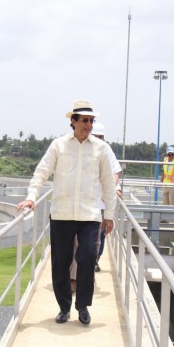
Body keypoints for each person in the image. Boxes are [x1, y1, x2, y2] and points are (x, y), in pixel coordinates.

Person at [16, 99, 116, 326]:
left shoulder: (101, 149)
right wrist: (32, 197)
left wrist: (108, 215)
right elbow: (41, 172)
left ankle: (82, 305)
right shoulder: (58, 145)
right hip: (61, 212)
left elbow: (108, 184)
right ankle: (63, 307)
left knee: (88, 256)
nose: (89, 125)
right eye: (84, 121)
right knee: (60, 262)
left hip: (90, 214)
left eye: (91, 121)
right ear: (73, 121)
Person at [70, 122, 122, 292]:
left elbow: (115, 173)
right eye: (96, 136)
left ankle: (86, 273)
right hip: (81, 204)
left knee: (94, 244)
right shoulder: (77, 147)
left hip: (99, 205)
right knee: (77, 243)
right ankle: (75, 279)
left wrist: (111, 189)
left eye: (100, 137)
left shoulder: (105, 149)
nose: (98, 139)